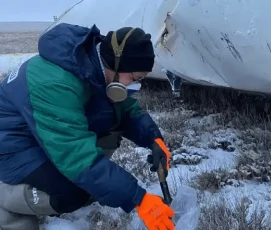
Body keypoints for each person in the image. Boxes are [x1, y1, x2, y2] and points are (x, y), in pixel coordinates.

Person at [0, 23, 175, 230]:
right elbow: (76, 157)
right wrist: (138, 199)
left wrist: (153, 139)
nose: (134, 86)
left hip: (38, 135)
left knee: (107, 137)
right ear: (116, 66)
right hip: (11, 145)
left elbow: (126, 110)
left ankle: (89, 184)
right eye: (135, 79)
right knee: (70, 194)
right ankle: (6, 198)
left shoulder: (94, 66)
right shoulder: (56, 83)